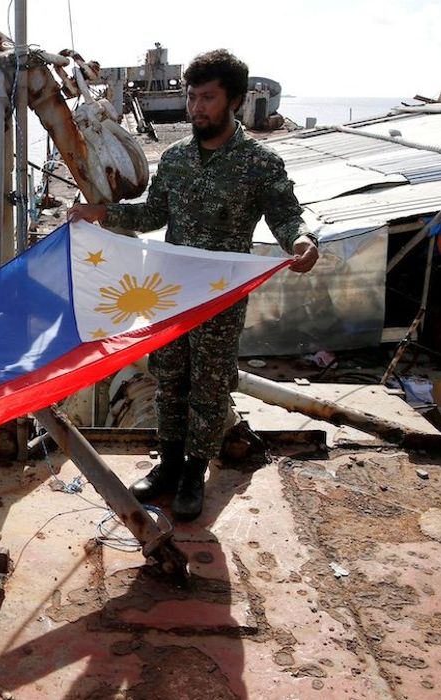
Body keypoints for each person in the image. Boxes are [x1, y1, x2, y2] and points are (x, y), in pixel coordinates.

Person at [68, 49, 318, 522]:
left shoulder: (258, 164)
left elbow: (287, 216)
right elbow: (154, 214)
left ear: (235, 101)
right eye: (192, 97)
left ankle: (193, 474)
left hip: (220, 299)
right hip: (173, 295)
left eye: (207, 98)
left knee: (209, 386)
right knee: (169, 381)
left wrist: (302, 241)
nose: (196, 107)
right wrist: (103, 214)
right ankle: (168, 466)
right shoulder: (178, 159)